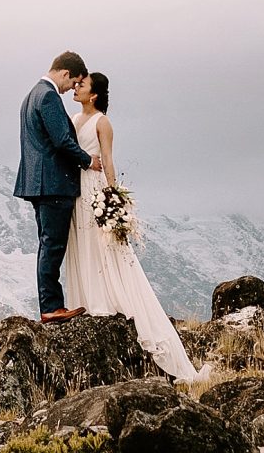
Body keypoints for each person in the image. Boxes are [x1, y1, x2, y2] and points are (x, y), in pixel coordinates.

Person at [62, 72, 204, 381]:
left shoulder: (102, 122)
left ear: (94, 94)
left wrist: (113, 199)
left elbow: (109, 160)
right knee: (82, 244)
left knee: (102, 245)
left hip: (94, 188)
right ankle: (87, 299)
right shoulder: (74, 118)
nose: (76, 88)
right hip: (77, 187)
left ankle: (108, 301)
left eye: (81, 85)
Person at [13, 51, 101, 323]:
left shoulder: (31, 95)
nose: (71, 89)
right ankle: (51, 307)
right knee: (52, 246)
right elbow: (62, 140)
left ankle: (51, 305)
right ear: (65, 74)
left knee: (48, 244)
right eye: (73, 82)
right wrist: (88, 161)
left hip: (38, 183)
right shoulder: (48, 96)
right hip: (53, 183)